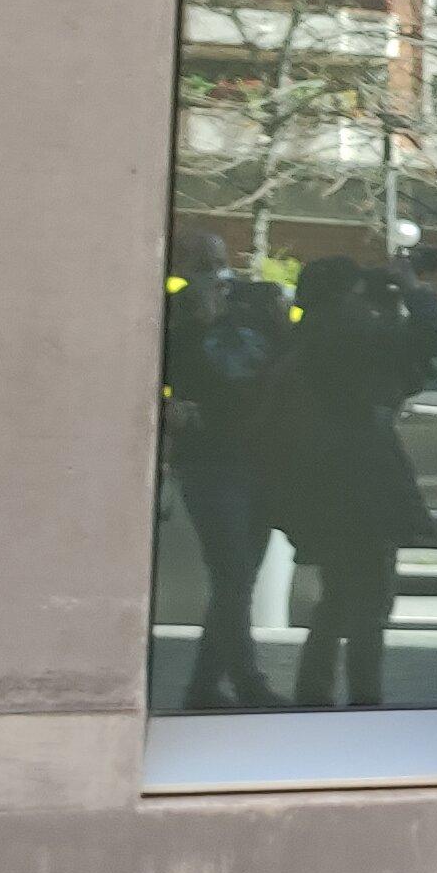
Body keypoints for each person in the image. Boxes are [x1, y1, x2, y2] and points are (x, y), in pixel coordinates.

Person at [254, 254, 437, 706]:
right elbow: (423, 345)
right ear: (343, 294)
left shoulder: (308, 336)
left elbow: (403, 374)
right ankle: (364, 696)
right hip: (363, 485)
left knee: (336, 600)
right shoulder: (347, 332)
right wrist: (413, 291)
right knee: (371, 602)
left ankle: (314, 693)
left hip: (325, 487)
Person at [158, 231, 287, 709]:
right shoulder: (173, 316)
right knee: (232, 575)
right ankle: (246, 681)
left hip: (259, 458)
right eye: (197, 260)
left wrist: (273, 317)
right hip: (210, 463)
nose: (210, 270)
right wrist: (194, 321)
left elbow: (281, 364)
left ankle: (204, 687)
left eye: (215, 259)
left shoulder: (252, 306)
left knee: (238, 581)